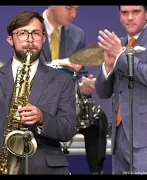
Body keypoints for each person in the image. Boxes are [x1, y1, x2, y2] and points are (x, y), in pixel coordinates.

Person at [0, 11, 78, 175]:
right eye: (23, 33)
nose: (30, 40)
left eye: (36, 33)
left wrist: (42, 118)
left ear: (44, 38)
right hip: (5, 169)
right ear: (10, 39)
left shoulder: (63, 80)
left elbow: (68, 130)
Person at [40, 6, 108, 174]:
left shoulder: (77, 35)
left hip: (68, 105)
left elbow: (81, 73)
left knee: (97, 118)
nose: (73, 14)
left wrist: (84, 87)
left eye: (77, 9)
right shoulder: (31, 29)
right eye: (69, 8)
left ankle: (95, 171)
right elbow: (27, 68)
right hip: (39, 103)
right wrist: (60, 63)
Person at [96, 6, 147, 174]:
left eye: (136, 12)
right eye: (125, 13)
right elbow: (103, 92)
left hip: (146, 138)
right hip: (120, 136)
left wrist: (119, 56)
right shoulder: (121, 43)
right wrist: (108, 67)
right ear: (119, 16)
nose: (129, 17)